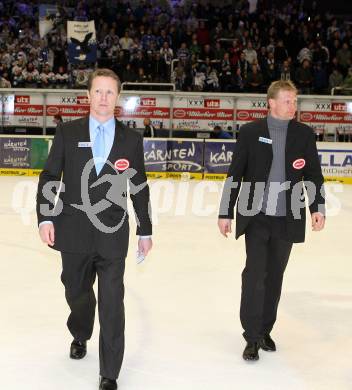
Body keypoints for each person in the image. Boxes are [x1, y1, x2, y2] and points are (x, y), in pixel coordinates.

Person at [36, 68, 152, 390]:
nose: (103, 98)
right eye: (97, 92)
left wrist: (145, 229)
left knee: (113, 302)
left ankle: (109, 372)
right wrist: (46, 217)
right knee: (77, 293)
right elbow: (50, 177)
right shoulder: (67, 133)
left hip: (113, 233)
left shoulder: (131, 139)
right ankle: (80, 330)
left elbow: (139, 186)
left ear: (118, 98)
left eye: (109, 93)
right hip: (72, 230)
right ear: (87, 96)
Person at [218, 80, 325, 362]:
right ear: (272, 103)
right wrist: (225, 211)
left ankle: (265, 330)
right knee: (255, 277)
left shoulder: (304, 134)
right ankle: (251, 336)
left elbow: (313, 175)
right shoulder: (252, 132)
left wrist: (317, 207)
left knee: (275, 277)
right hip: (256, 217)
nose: (294, 106)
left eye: (295, 101)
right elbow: (235, 174)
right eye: (288, 101)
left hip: (288, 218)